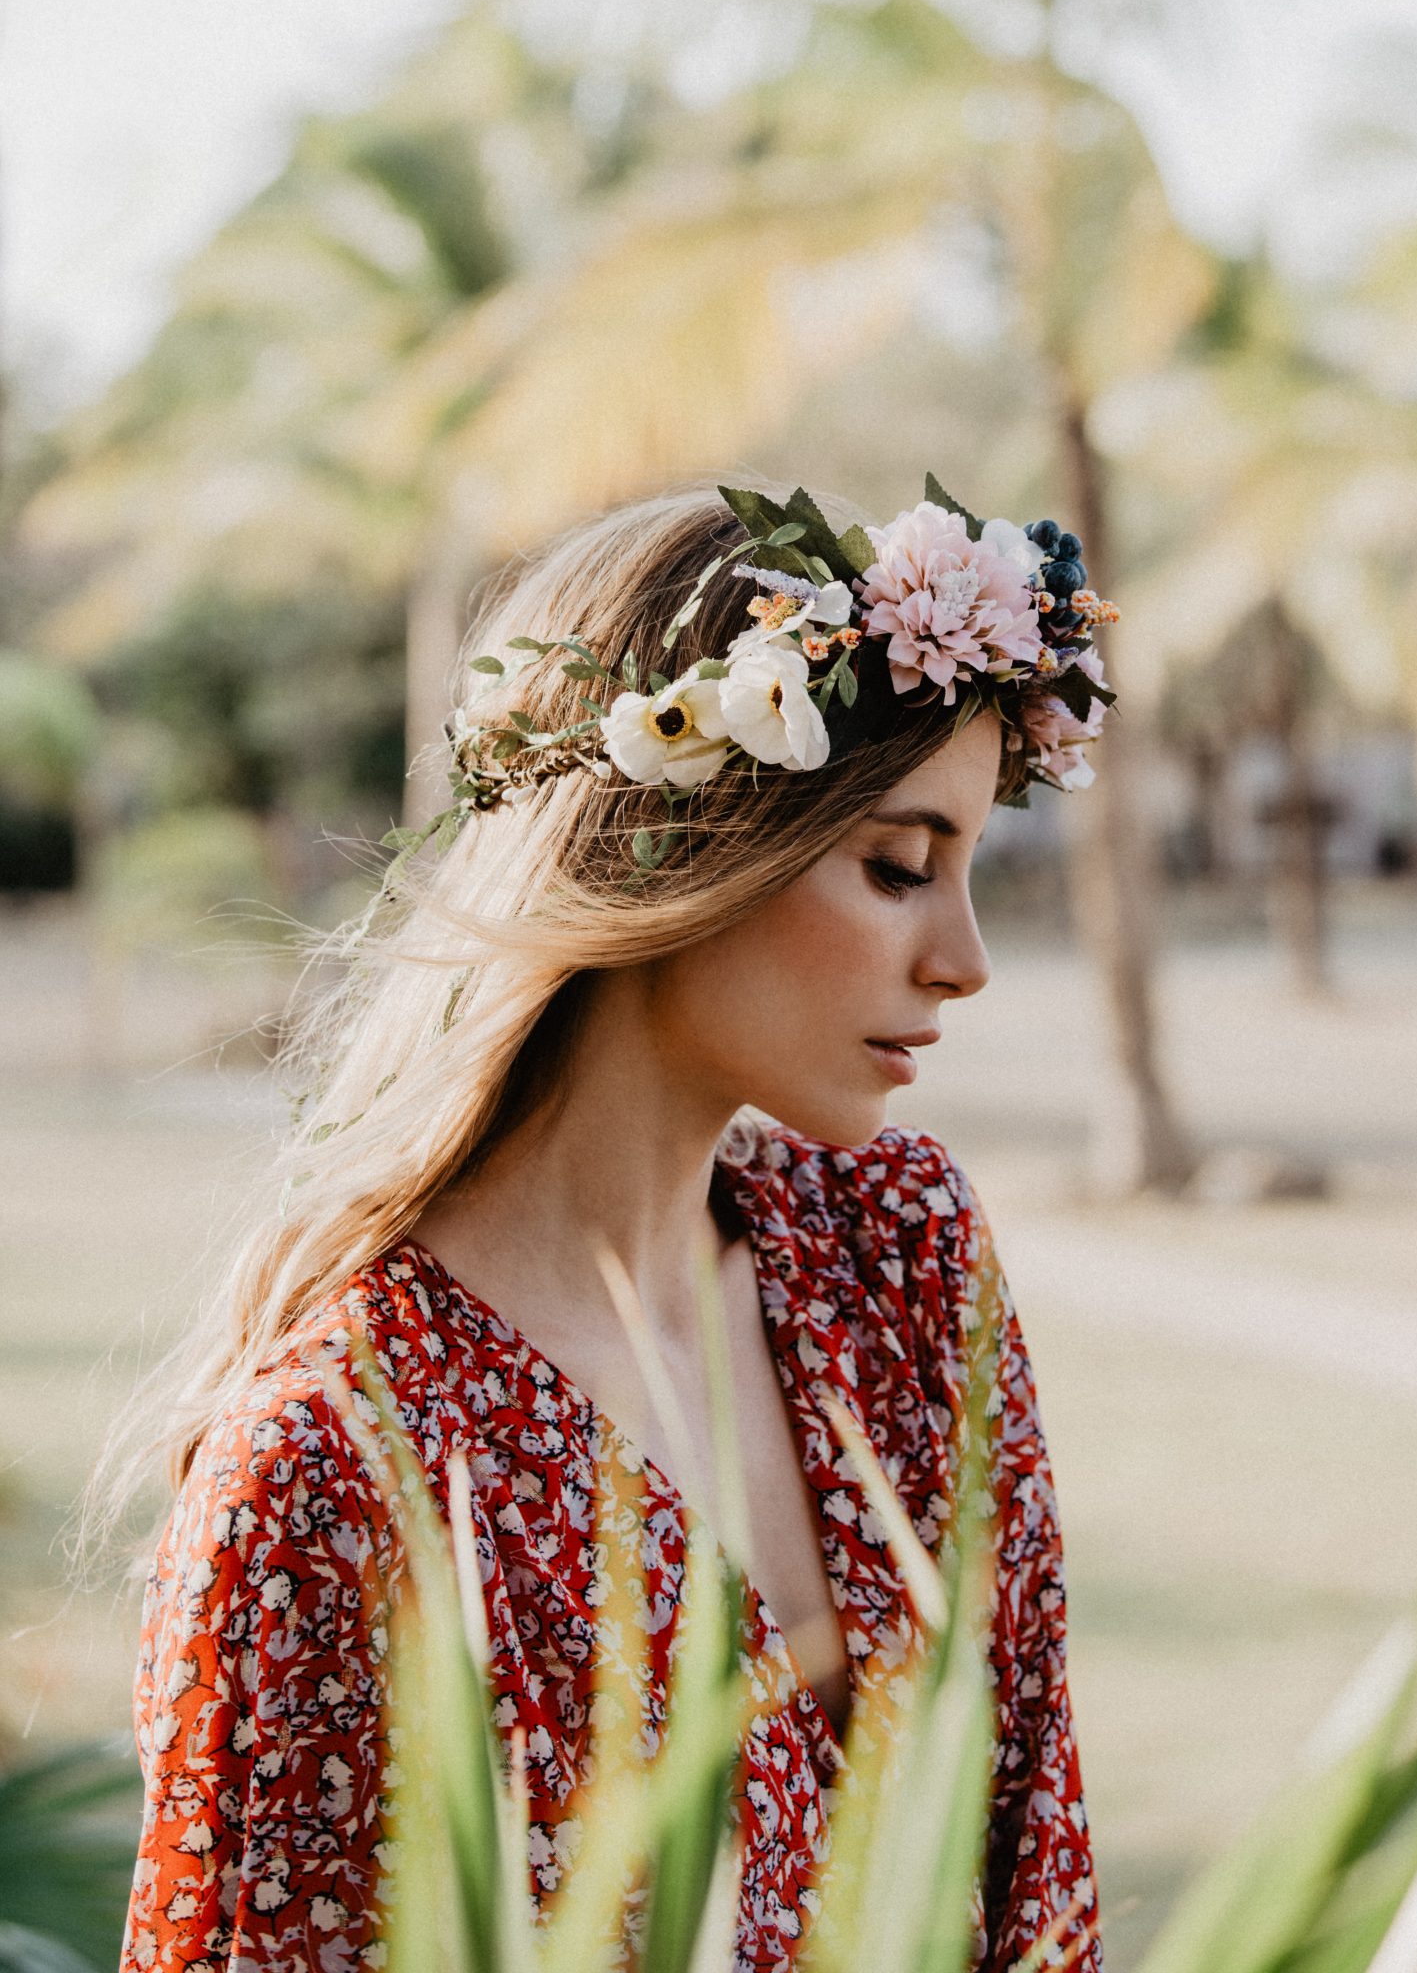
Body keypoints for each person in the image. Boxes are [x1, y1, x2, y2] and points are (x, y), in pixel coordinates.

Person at [110, 475, 1112, 1972]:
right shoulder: (335, 1468)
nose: (963, 959)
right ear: (679, 843)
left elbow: (1038, 1855)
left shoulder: (903, 1260)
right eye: (900, 869)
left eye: (969, 871)